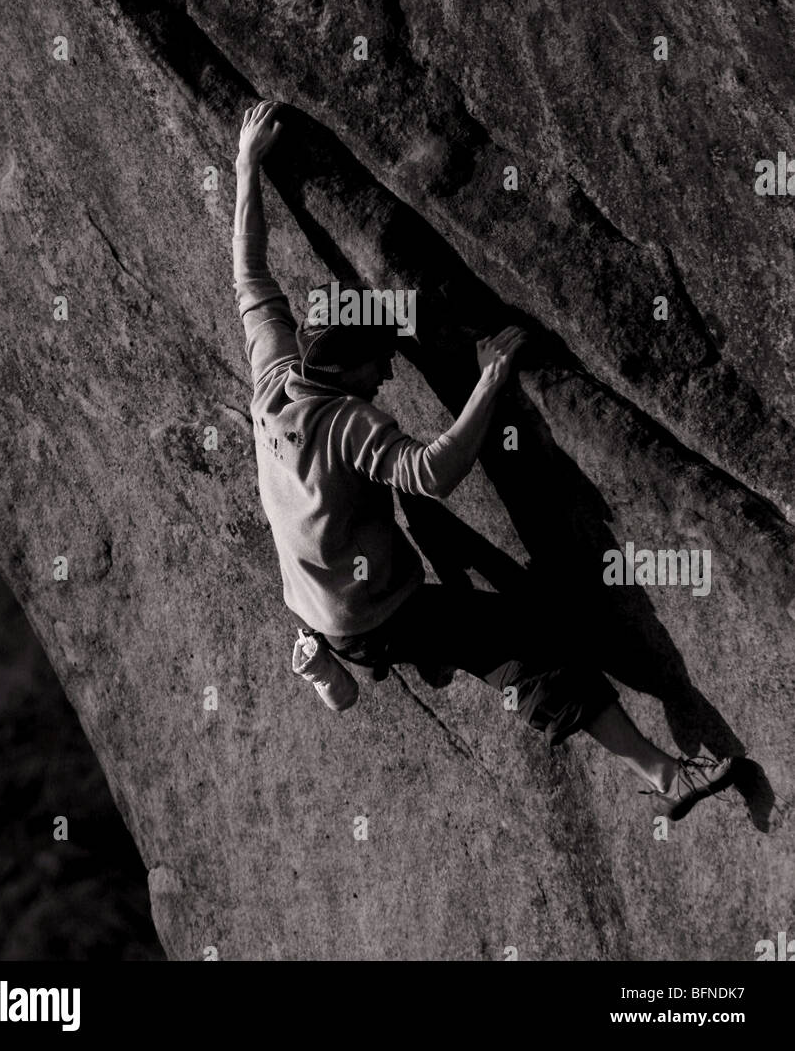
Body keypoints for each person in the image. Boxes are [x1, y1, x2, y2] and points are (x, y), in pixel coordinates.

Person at [233, 99, 735, 822]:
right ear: (346, 373)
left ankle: (361, 662)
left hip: (319, 595)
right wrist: (489, 384)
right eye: (380, 365)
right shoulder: (348, 426)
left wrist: (247, 164)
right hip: (372, 610)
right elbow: (432, 472)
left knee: (433, 556)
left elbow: (249, 271)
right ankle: (667, 776)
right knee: (527, 646)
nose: (390, 376)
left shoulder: (274, 375)